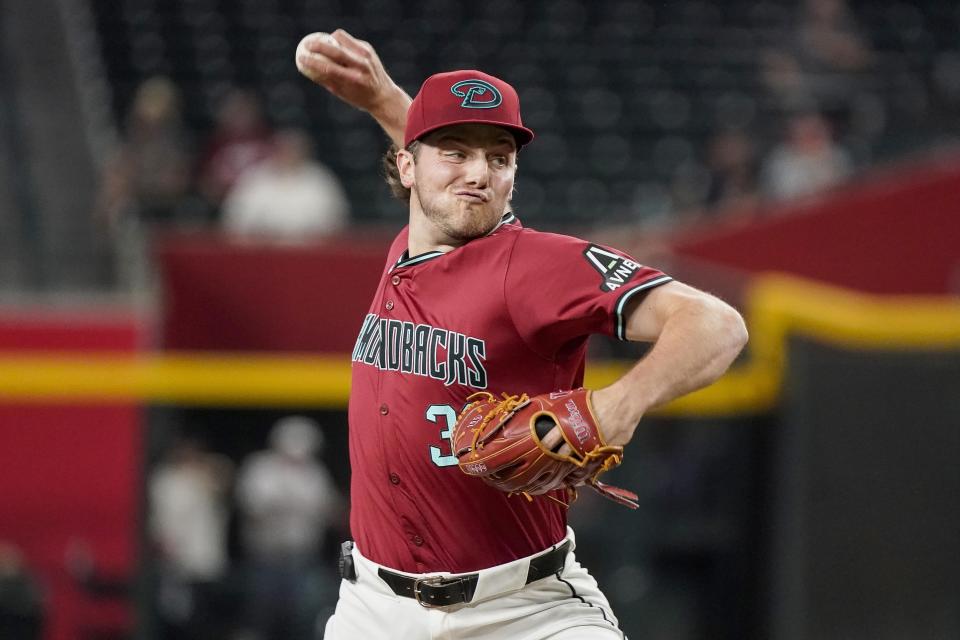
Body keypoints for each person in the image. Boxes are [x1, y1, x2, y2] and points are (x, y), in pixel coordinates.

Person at [296, 30, 748, 639]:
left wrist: (619, 404)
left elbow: (718, 325)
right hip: (374, 611)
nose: (478, 173)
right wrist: (381, 97)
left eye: (500, 158)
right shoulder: (412, 243)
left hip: (524, 611)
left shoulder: (534, 266)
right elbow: (435, 163)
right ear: (405, 166)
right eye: (457, 152)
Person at [235, 416, 341, 640]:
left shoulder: (315, 473)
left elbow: (329, 510)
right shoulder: (261, 468)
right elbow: (252, 508)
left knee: (303, 612)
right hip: (265, 555)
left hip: (303, 555)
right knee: (261, 612)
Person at [221, 128, 350, 242]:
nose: (289, 154)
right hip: (262, 253)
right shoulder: (255, 177)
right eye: (284, 149)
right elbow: (235, 219)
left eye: (294, 149)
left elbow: (335, 222)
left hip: (309, 253)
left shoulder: (321, 180)